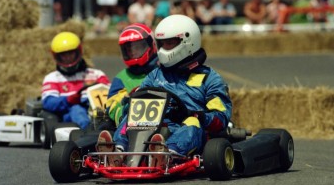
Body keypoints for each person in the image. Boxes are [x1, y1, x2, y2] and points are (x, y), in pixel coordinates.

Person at [97, 14, 232, 167]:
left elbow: (220, 118)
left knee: (192, 122)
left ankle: (168, 153)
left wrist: (197, 115)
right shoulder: (155, 75)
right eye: (162, 43)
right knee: (132, 115)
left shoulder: (210, 79)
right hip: (153, 127)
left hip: (186, 128)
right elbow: (139, 100)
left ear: (187, 41)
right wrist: (129, 103)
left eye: (170, 43)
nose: (164, 48)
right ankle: (118, 151)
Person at [42, 32, 111, 129]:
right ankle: (89, 132)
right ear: (57, 56)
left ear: (78, 52)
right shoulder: (52, 78)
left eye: (71, 53)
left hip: (98, 110)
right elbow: (49, 103)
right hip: (69, 115)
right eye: (63, 55)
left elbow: (110, 93)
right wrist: (68, 100)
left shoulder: (96, 74)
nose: (68, 57)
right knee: (77, 109)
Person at [104, 23, 159, 127]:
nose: (133, 52)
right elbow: (112, 106)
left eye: (137, 47)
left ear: (150, 44)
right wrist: (127, 104)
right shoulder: (121, 78)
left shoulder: (162, 72)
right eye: (128, 49)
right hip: (131, 124)